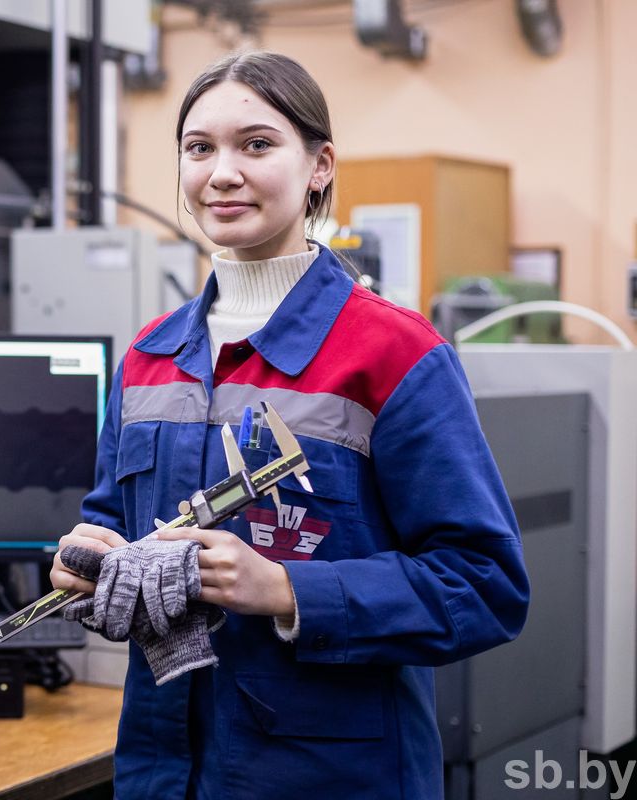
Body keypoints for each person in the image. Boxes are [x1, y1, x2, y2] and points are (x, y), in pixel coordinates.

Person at [50, 50, 529, 799]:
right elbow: (112, 522)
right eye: (199, 148)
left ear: (319, 166)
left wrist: (284, 589)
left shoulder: (396, 355)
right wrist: (87, 565)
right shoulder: (148, 357)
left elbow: (486, 585)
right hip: (162, 770)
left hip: (330, 777)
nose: (222, 172)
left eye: (257, 144)